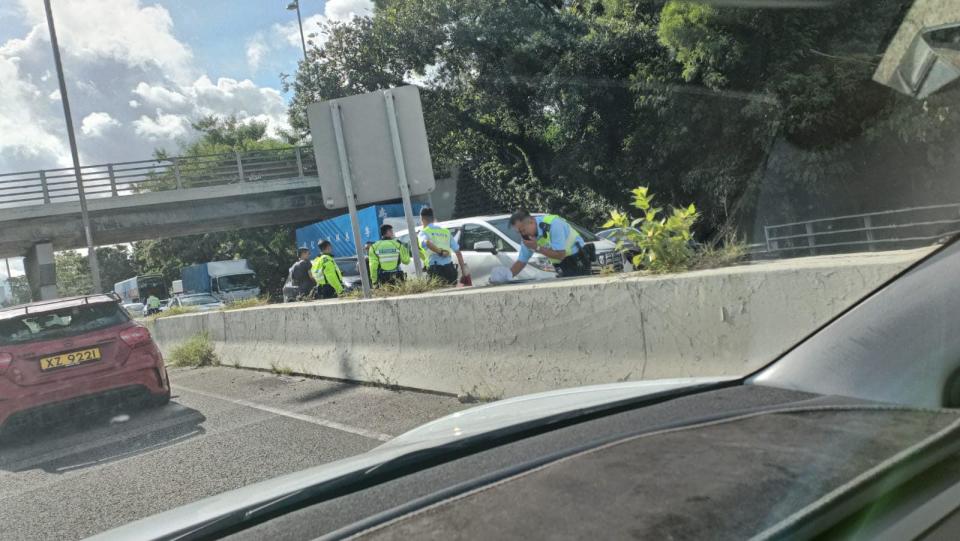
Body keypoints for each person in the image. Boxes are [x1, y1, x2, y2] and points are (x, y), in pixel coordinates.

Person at [509, 210, 592, 278]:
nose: (522, 234)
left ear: (531, 221)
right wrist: (506, 276)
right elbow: (521, 261)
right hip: (562, 266)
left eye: (523, 230)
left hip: (578, 260)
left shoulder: (554, 224)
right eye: (519, 232)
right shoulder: (527, 237)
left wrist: (536, 247)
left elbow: (560, 254)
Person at [418, 207, 465, 285]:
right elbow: (458, 252)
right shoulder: (445, 232)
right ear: (433, 218)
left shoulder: (424, 232)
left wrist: (441, 252)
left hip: (435, 270)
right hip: (450, 269)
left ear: (422, 219)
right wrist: (463, 271)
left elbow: (427, 242)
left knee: (438, 295)